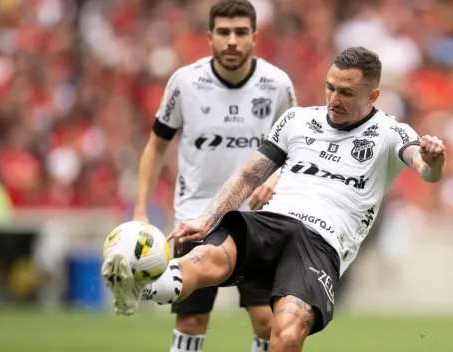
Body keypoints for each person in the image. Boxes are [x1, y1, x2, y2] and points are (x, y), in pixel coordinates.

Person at [104, 46, 446, 351]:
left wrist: (433, 159)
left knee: (285, 337)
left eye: (346, 92)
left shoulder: (390, 132)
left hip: (321, 242)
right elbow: (249, 175)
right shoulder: (297, 120)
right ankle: (140, 285)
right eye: (330, 87)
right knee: (205, 259)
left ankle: (145, 283)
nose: (333, 99)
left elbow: (426, 170)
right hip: (272, 220)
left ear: (372, 96)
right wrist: (207, 219)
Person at [104, 1, 297, 351]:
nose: (232, 41)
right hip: (196, 217)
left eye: (240, 32)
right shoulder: (186, 82)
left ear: (255, 36)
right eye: (224, 32)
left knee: (268, 321)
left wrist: (275, 180)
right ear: (210, 37)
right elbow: (155, 148)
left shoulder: (277, 85)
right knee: (191, 321)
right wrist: (140, 211)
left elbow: (296, 145)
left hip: (259, 221)